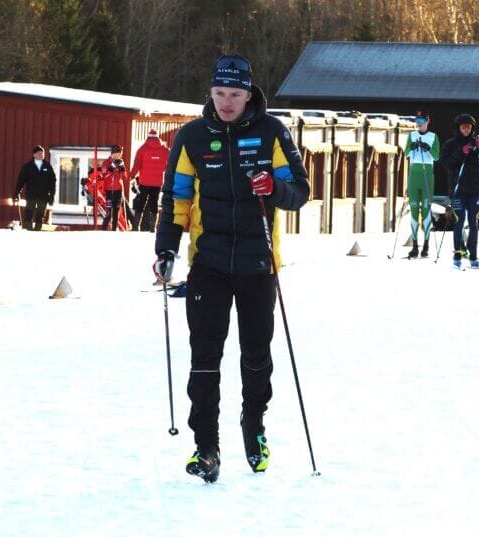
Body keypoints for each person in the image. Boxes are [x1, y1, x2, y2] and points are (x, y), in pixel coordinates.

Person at [152, 54, 309, 483]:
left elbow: (300, 191)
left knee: (256, 356)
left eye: (234, 94)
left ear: (249, 94)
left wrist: (274, 187)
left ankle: (253, 424)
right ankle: (206, 447)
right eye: (219, 93)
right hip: (208, 264)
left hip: (259, 264)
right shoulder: (192, 137)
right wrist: (165, 249)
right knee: (205, 356)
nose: (226, 102)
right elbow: (176, 200)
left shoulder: (272, 132)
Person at [440, 113, 479, 269]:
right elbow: (447, 164)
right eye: (463, 127)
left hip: (475, 190)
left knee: (473, 223)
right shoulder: (451, 144)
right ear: (458, 128)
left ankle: (473, 257)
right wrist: (462, 152)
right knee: (459, 222)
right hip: (458, 189)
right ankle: (458, 255)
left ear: (472, 128)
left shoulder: (478, 143)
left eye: (468, 127)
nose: (466, 130)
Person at [403, 109, 439, 258]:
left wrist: (427, 148)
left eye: (421, 122)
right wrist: (411, 147)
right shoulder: (411, 135)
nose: (419, 125)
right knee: (413, 211)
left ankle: (426, 245)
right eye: (417, 122)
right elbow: (405, 153)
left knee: (425, 211)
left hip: (427, 173)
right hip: (414, 173)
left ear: (427, 121)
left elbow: (436, 156)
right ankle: (415, 246)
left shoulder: (433, 136)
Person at [130, 129, 170, 232]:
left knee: (141, 202)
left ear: (148, 136)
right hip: (157, 182)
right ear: (157, 137)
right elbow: (169, 164)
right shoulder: (165, 149)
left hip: (144, 181)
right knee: (154, 203)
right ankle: (152, 228)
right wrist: (161, 170)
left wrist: (131, 175)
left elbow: (136, 165)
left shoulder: (142, 149)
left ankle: (135, 226)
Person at [13, 145, 56, 231]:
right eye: (39, 153)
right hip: (31, 194)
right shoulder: (27, 167)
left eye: (42, 153)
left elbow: (52, 182)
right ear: (34, 155)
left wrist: (52, 196)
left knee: (40, 214)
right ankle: (28, 229)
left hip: (43, 195)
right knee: (29, 212)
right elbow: (21, 181)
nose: (41, 155)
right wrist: (17, 192)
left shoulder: (47, 166)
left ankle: (37, 230)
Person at [101, 144, 133, 231]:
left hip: (118, 190)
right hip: (109, 191)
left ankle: (114, 231)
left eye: (121, 154)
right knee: (109, 212)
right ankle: (103, 230)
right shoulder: (106, 163)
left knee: (116, 212)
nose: (120, 156)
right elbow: (104, 176)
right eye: (119, 154)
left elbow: (125, 177)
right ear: (114, 153)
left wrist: (122, 169)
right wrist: (111, 168)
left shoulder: (120, 161)